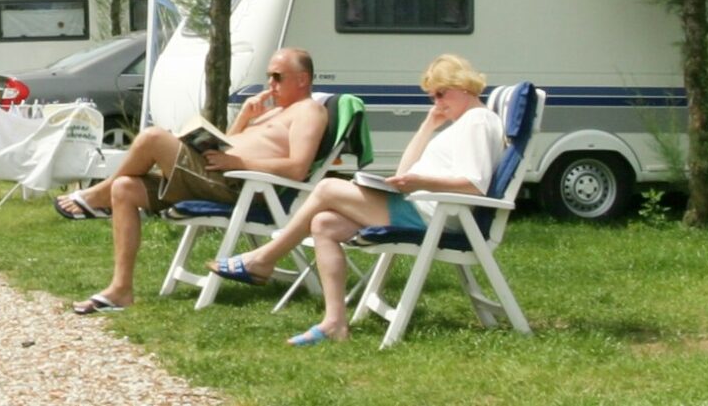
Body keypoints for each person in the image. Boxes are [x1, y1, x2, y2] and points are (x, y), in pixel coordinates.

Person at [208, 52, 504, 346]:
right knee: (324, 223)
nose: (436, 103)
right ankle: (334, 322)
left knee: (327, 189)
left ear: (463, 87)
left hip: (435, 216)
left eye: (440, 94)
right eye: (432, 97)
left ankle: (263, 260)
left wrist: (420, 182)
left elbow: (474, 185)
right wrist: (428, 126)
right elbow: (404, 171)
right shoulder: (463, 123)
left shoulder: (477, 121)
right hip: (423, 208)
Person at [57, 47, 327, 316]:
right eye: (268, 76)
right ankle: (120, 289)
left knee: (152, 138)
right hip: (216, 176)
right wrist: (244, 117)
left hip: (242, 187)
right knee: (124, 188)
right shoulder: (270, 113)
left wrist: (239, 164)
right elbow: (230, 146)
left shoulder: (309, 111)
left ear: (302, 79)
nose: (270, 83)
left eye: (277, 77)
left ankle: (97, 196)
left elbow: (297, 168)